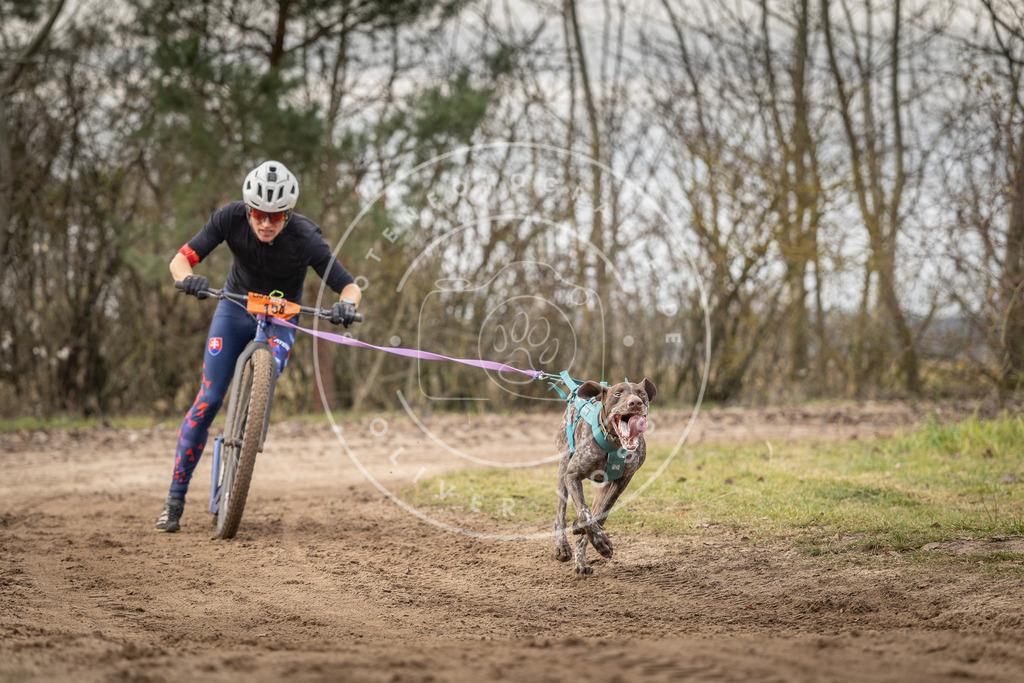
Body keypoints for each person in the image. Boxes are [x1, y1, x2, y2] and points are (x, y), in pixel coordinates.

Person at [155, 160, 362, 532]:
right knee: (209, 399)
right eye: (259, 214)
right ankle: (175, 499)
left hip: (282, 318)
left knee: (268, 371)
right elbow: (180, 260)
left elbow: (349, 286)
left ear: (288, 215)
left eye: (276, 217)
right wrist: (188, 280)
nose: (266, 223)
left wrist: (347, 306)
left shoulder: (306, 237)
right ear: (248, 209)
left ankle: (248, 428)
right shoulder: (228, 218)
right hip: (233, 310)